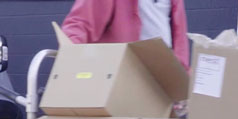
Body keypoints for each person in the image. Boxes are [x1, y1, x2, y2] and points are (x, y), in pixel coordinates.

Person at [62, 0, 190, 70]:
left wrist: (182, 71)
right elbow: (81, 22)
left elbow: (179, 33)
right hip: (124, 70)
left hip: (163, 71)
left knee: (156, 118)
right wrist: (71, 54)